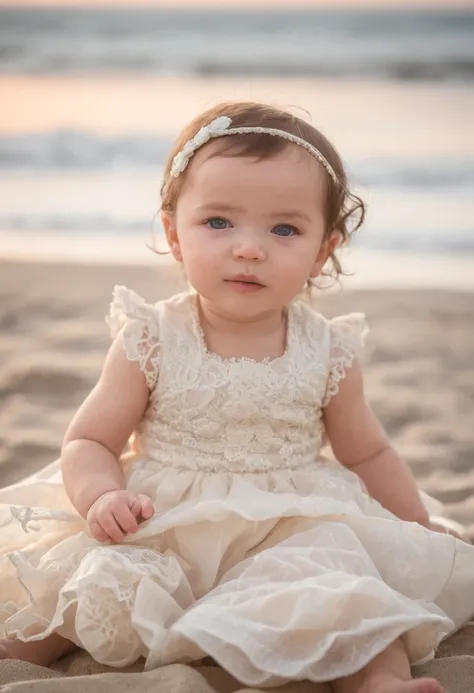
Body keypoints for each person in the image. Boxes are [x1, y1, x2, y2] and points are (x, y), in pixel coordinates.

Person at [0, 101, 472, 693]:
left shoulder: (327, 350)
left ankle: (382, 684)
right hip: (164, 517)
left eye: (284, 229)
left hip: (293, 523)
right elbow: (90, 438)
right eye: (219, 222)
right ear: (174, 234)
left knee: (351, 594)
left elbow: (369, 454)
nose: (249, 248)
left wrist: (416, 526)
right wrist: (102, 496)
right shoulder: (152, 337)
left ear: (322, 250)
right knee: (79, 590)